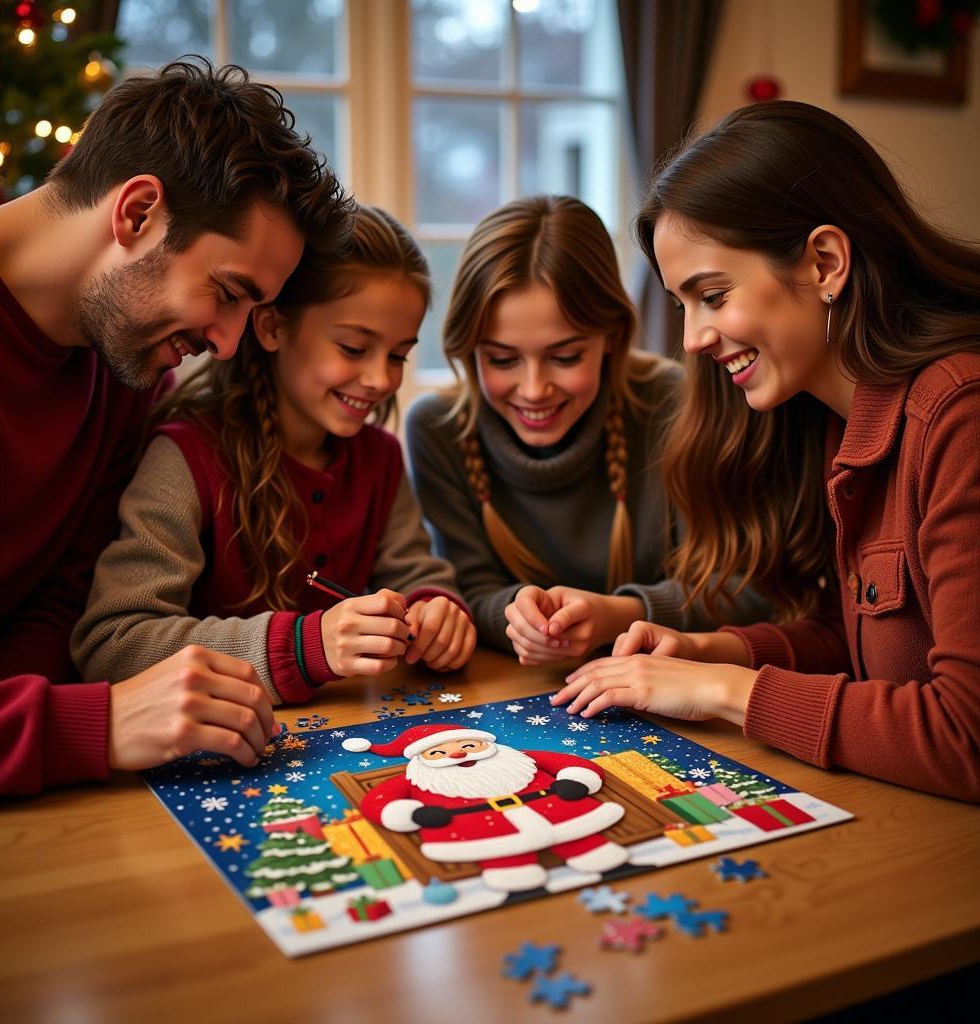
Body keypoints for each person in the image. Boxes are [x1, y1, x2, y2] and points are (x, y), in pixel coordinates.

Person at [554, 101, 980, 802]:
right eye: (683, 304)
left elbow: (965, 734)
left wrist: (726, 690)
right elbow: (869, 650)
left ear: (825, 262)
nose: (692, 338)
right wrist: (706, 650)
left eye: (712, 295)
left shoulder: (957, 415)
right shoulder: (838, 420)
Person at [0, 57, 353, 804]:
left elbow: (50, 611)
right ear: (137, 212)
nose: (231, 345)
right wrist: (94, 726)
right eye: (228, 293)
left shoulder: (127, 376)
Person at [72, 204, 476, 699]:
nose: (381, 380)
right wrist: (304, 648)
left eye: (398, 356)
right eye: (353, 348)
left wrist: (436, 611)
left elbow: (417, 572)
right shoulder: (186, 457)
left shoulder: (380, 458)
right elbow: (113, 645)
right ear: (271, 328)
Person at [406, 195, 770, 664]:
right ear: (467, 349)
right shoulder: (437, 429)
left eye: (565, 357)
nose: (534, 389)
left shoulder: (675, 403)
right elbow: (466, 589)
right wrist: (515, 616)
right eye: (501, 359)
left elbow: (743, 588)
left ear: (612, 337)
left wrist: (620, 613)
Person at [344, 721, 628, 894]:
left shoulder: (518, 759)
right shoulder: (417, 779)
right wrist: (412, 814)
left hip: (555, 811)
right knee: (504, 858)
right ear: (421, 759)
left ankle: (607, 863)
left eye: (468, 745)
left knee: (582, 839)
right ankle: (514, 884)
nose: (457, 754)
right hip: (480, 832)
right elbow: (378, 801)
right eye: (438, 753)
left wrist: (576, 780)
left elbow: (568, 763)